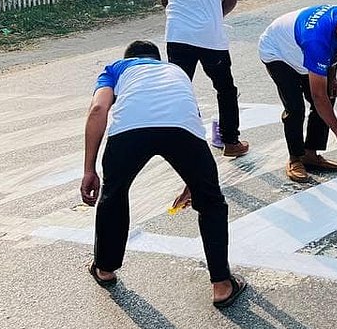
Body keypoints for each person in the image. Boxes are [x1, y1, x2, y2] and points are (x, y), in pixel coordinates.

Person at [79, 40, 247, 308]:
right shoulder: (175, 71)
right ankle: (222, 285)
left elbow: (98, 109)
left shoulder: (116, 68)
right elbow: (190, 118)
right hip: (182, 130)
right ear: (156, 59)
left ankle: (105, 268)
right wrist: (194, 181)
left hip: (129, 132)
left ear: (129, 57)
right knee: (211, 202)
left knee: (114, 194)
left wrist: (89, 169)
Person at [156, 0, 249, 158]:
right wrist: (213, 17)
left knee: (180, 88)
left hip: (177, 35)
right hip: (211, 37)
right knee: (225, 88)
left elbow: (165, 0)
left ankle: (185, 142)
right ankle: (231, 142)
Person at [258, 5, 337, 183]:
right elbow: (319, 97)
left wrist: (332, 78)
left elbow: (335, 50)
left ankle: (310, 153)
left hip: (301, 51)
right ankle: (295, 158)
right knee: (295, 107)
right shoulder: (317, 41)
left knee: (329, 92)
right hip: (278, 52)